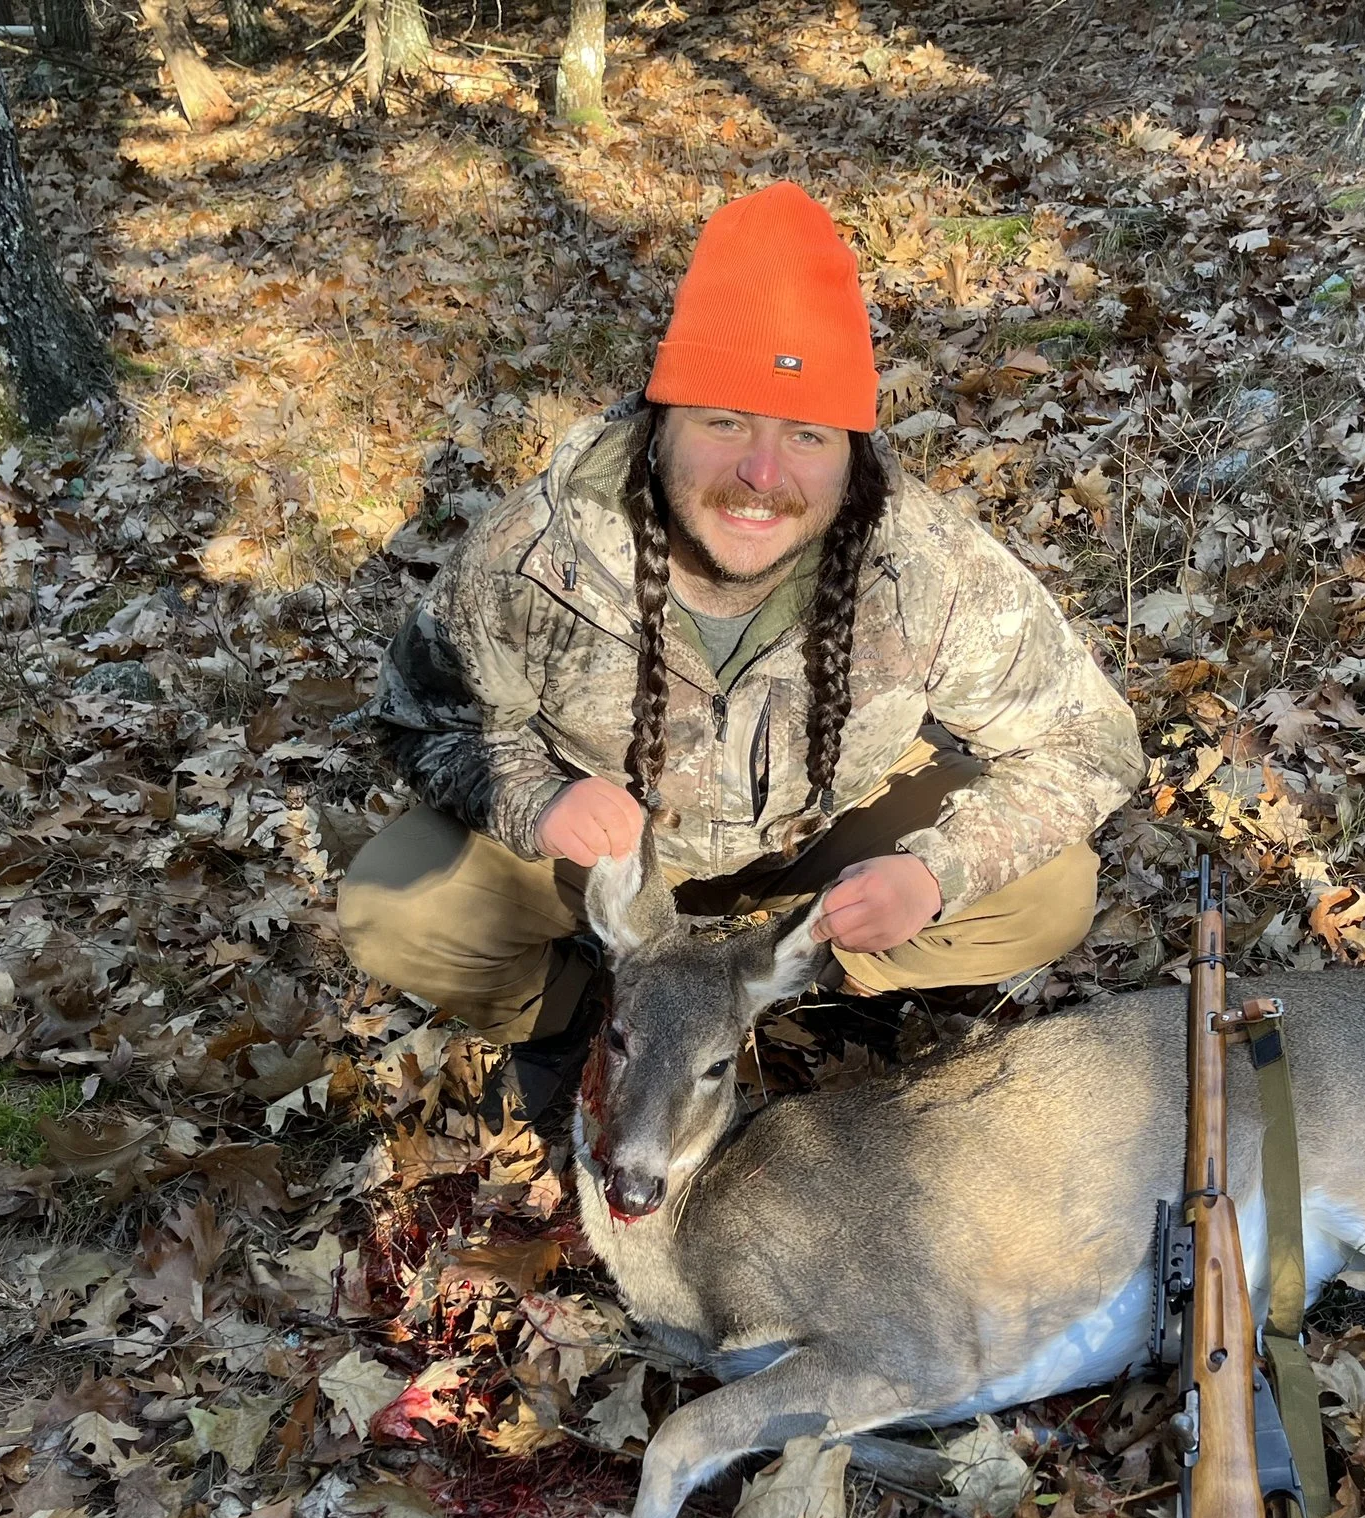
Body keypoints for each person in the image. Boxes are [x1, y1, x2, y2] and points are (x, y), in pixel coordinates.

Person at [340, 181, 1141, 1110]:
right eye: (724, 422)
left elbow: (1089, 741)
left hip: (820, 845)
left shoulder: (927, 565)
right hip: (611, 863)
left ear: (851, 449)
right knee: (396, 905)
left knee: (1049, 889)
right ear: (660, 423)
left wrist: (935, 872)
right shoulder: (536, 554)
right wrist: (537, 800)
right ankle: (579, 1021)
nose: (762, 476)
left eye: (805, 434)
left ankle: (798, 993)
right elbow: (420, 718)